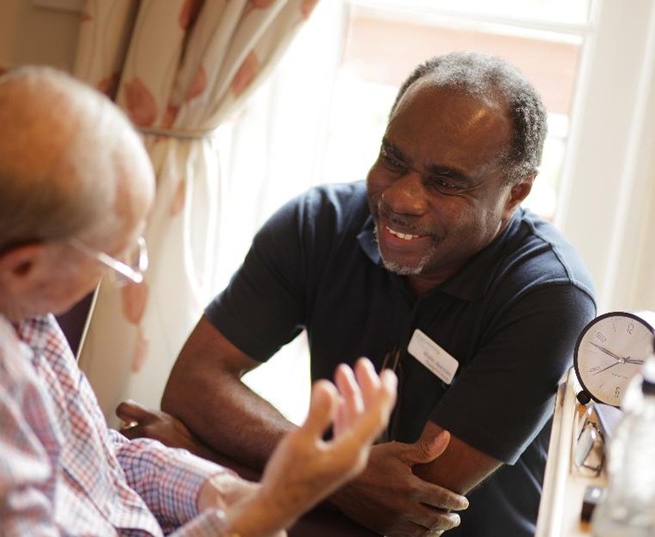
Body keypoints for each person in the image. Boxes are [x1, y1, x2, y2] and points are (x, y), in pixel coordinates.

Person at [0, 66, 400, 536]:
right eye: (113, 262)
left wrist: (220, 492)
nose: (119, 276)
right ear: (25, 263)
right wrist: (273, 505)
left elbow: (90, 454)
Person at [118, 52, 597, 537]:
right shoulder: (316, 225)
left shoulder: (549, 297)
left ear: (516, 193)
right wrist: (338, 474)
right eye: (393, 159)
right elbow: (193, 383)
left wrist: (208, 456)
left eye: (446, 182)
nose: (401, 199)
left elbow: (405, 509)